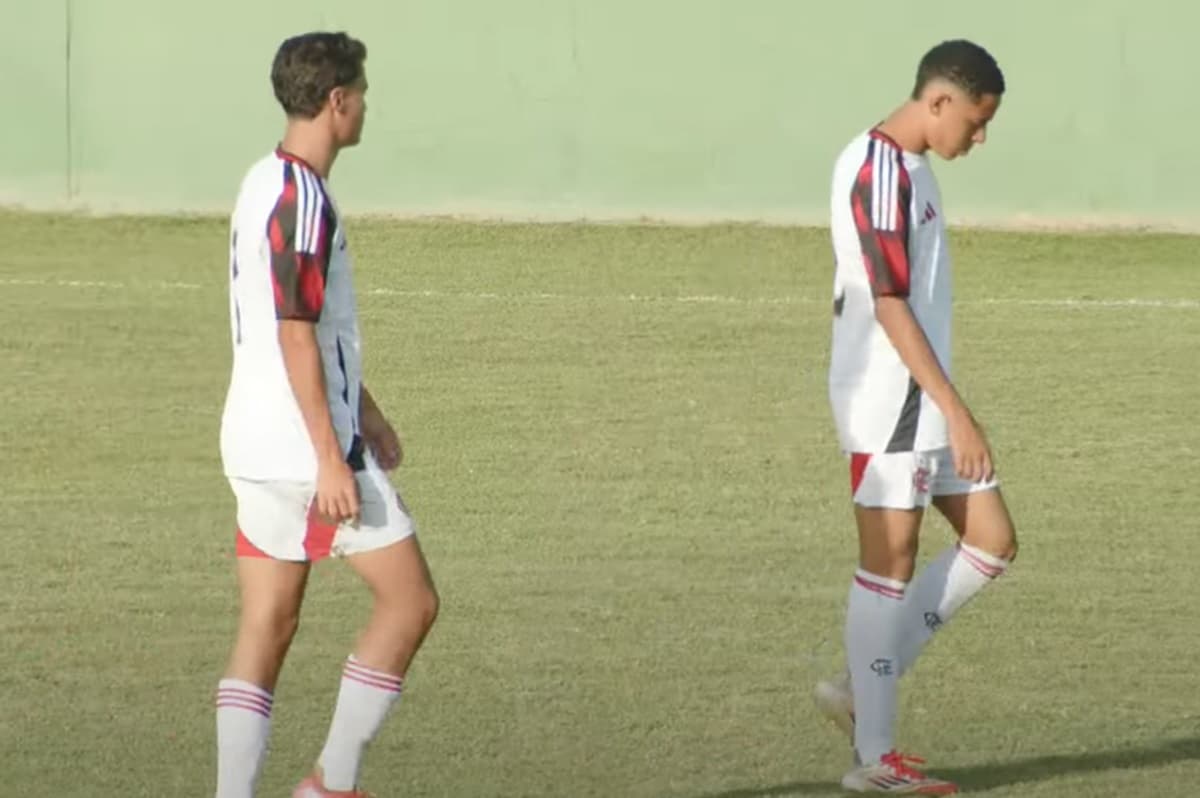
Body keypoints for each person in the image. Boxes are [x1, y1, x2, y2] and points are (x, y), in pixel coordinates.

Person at [214, 31, 439, 798]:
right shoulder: (303, 198)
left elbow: (306, 323)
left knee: (267, 626)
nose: (366, 105)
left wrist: (367, 410)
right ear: (337, 101)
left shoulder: (260, 182)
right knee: (410, 601)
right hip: (302, 450)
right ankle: (331, 784)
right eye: (361, 92)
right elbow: (295, 331)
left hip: (252, 442)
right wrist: (331, 455)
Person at [815, 39, 1017, 794]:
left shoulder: (915, 169)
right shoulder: (876, 170)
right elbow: (889, 303)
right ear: (939, 102)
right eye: (976, 119)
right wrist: (956, 411)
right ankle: (875, 758)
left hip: (918, 398)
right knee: (889, 563)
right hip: (889, 398)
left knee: (992, 541)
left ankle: (861, 686)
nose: (980, 136)